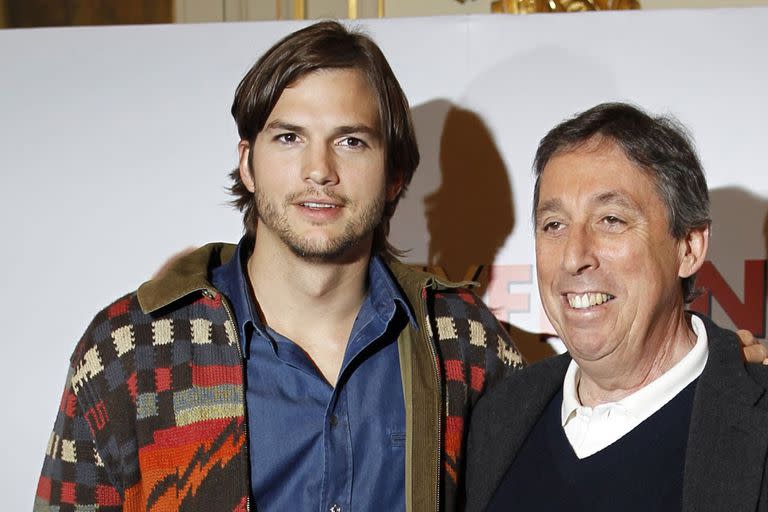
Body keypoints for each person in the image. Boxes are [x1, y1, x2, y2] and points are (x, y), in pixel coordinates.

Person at [34, 21, 524, 512]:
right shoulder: (132, 351)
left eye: (351, 141)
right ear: (247, 164)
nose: (319, 170)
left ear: (395, 174)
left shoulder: (461, 341)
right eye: (289, 137)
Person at [466, 102, 768, 511]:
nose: (575, 256)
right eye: (554, 225)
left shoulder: (756, 420)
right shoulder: (497, 419)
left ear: (689, 247)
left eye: (611, 219)